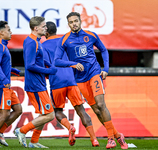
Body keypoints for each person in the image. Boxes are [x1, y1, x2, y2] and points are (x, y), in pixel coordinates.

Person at [54, 12, 128, 149]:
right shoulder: (64, 40)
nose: (74, 24)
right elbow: (56, 61)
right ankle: (118, 135)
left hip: (94, 73)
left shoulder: (91, 35)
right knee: (96, 110)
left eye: (76, 21)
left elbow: (104, 50)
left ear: (80, 21)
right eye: (71, 22)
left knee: (101, 104)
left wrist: (105, 68)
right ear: (68, 24)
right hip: (80, 79)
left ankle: (111, 138)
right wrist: (73, 64)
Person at [42, 21, 99, 147]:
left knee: (57, 111)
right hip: (71, 80)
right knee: (81, 110)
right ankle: (94, 139)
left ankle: (70, 127)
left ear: (46, 33)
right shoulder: (65, 41)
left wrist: (46, 75)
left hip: (56, 81)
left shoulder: (43, 45)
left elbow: (44, 64)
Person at [14, 16, 57, 148]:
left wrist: (49, 65)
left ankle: (34, 141)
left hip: (39, 82)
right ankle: (21, 131)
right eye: (44, 26)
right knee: (50, 115)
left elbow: (38, 59)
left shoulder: (36, 41)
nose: (46, 28)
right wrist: (48, 71)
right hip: (35, 84)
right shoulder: (31, 42)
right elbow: (29, 65)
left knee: (44, 113)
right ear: (36, 28)